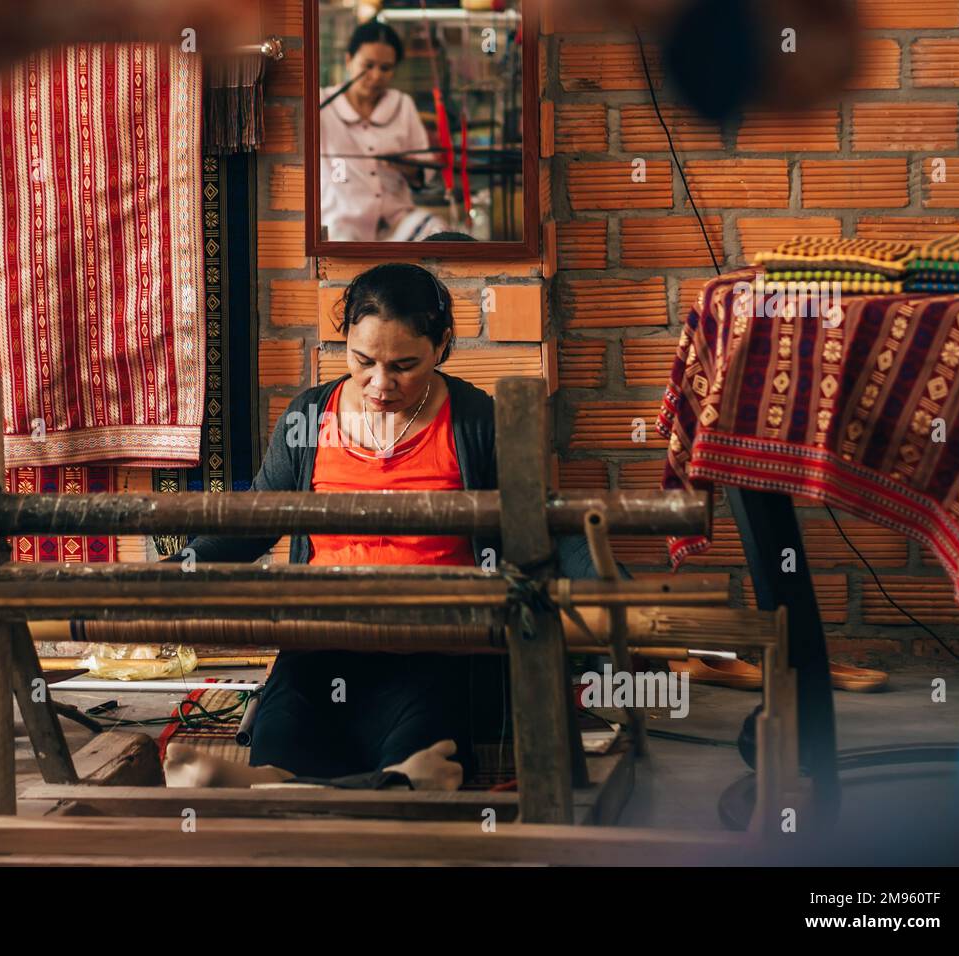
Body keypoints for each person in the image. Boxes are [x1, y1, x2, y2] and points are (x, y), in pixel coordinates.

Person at [163, 263, 627, 792]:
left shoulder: (477, 422)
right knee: (290, 737)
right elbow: (249, 526)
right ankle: (375, 784)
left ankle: (296, 785)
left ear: (442, 345)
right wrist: (171, 574)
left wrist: (616, 600)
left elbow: (547, 524)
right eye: (363, 361)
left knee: (426, 750)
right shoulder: (309, 418)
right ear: (345, 342)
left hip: (436, 647)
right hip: (320, 644)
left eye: (405, 365)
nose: (380, 385)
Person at [319, 21, 446, 242]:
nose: (376, 75)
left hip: (396, 223)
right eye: (368, 65)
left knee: (436, 230)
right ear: (349, 61)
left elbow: (426, 168)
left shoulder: (402, 104)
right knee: (340, 244)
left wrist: (406, 166)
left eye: (385, 68)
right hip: (343, 221)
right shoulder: (322, 103)